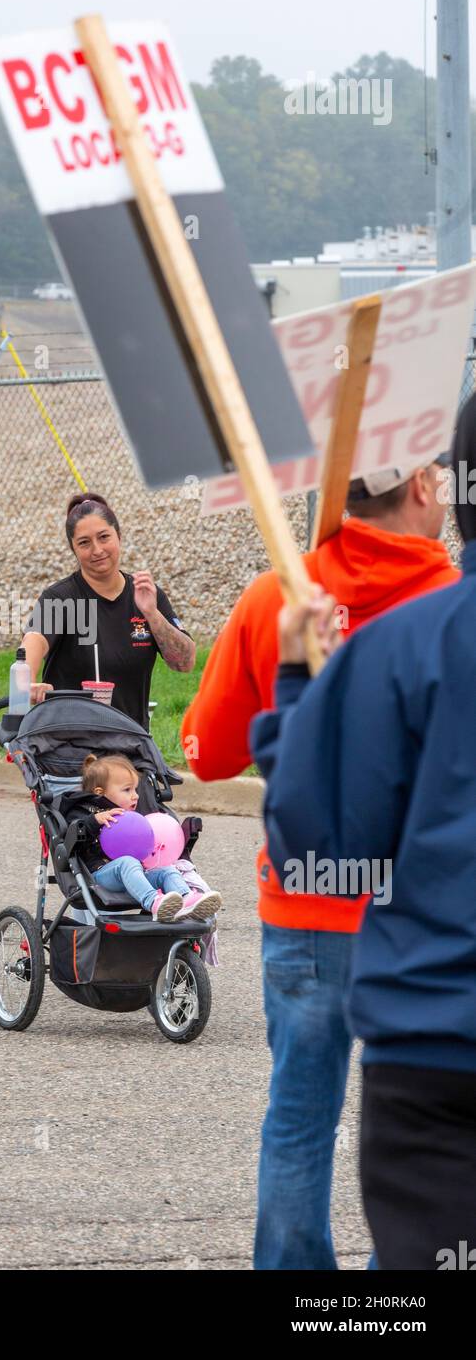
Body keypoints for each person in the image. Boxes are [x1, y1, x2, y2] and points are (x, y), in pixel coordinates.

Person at [181, 453, 458, 1270]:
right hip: (421, 912)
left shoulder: (279, 597)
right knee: (427, 1121)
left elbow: (207, 750)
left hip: (308, 901)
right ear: (418, 487)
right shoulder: (450, 607)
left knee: (301, 1115)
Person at [250, 403, 476, 1268]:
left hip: (433, 1043)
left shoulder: (388, 642)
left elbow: (315, 830)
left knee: (301, 1115)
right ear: (426, 492)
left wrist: (303, 691)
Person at [21, 492, 196, 729]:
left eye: (104, 537)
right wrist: (28, 682)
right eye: (84, 542)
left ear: (119, 537)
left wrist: (153, 615)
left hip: (129, 739)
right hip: (69, 740)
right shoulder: (61, 597)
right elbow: (34, 640)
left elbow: (184, 663)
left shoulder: (148, 595)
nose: (97, 550)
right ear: (73, 549)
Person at [61, 753, 221, 921]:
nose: (135, 795)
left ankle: (186, 899)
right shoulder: (84, 811)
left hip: (134, 874)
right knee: (127, 862)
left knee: (167, 871)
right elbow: (71, 838)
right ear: (100, 793)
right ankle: (153, 901)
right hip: (99, 875)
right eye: (127, 790)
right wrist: (94, 821)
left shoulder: (129, 818)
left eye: (135, 789)